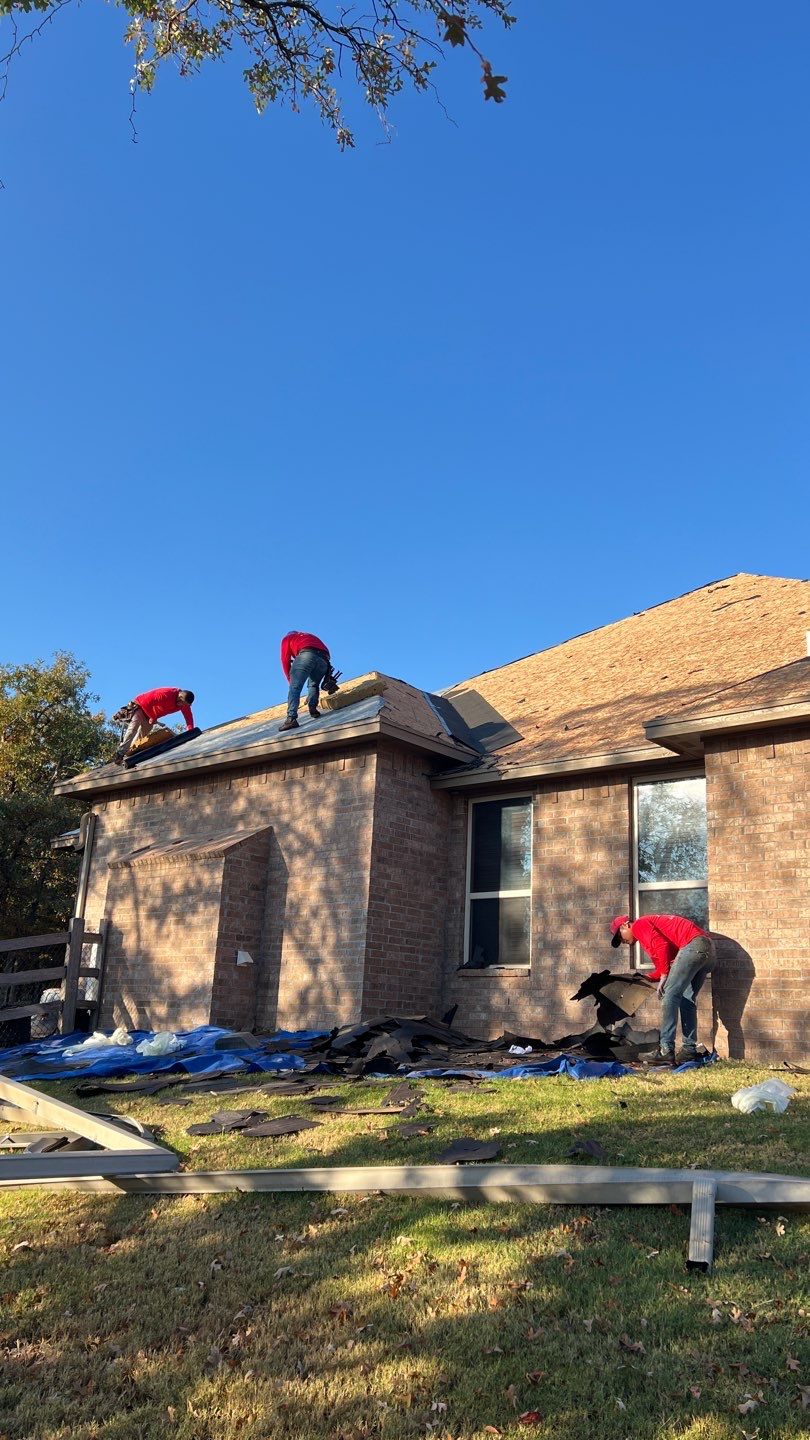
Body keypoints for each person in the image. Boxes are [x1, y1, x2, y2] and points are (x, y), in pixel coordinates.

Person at [609, 912, 715, 1065]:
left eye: (620, 936)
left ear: (626, 925)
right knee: (686, 1000)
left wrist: (665, 975)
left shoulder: (639, 925)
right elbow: (664, 965)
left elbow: (661, 947)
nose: (622, 941)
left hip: (693, 945)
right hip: (708, 950)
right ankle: (689, 1050)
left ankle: (665, 1050)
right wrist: (646, 977)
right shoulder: (649, 932)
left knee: (669, 996)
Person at [113, 687, 196, 763]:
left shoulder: (184, 704)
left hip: (150, 715)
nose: (183, 706)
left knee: (142, 736)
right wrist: (152, 717)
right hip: (141, 706)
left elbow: (188, 717)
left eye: (186, 705)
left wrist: (190, 731)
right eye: (183, 704)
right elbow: (145, 702)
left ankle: (129, 752)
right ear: (180, 698)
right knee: (133, 728)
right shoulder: (166, 694)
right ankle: (120, 753)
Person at [278, 631, 332, 731]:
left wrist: (291, 679)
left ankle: (291, 719)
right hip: (324, 659)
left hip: (306, 654)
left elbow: (284, 659)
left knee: (295, 687)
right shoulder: (309, 635)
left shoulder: (288, 638)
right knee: (313, 684)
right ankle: (313, 708)